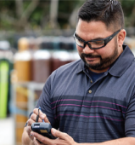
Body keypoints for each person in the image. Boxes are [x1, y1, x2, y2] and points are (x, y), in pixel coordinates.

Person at [22, 0, 135, 144]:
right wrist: (35, 137)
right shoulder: (59, 78)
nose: (87, 50)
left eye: (97, 42)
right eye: (80, 40)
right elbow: (26, 138)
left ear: (120, 37)